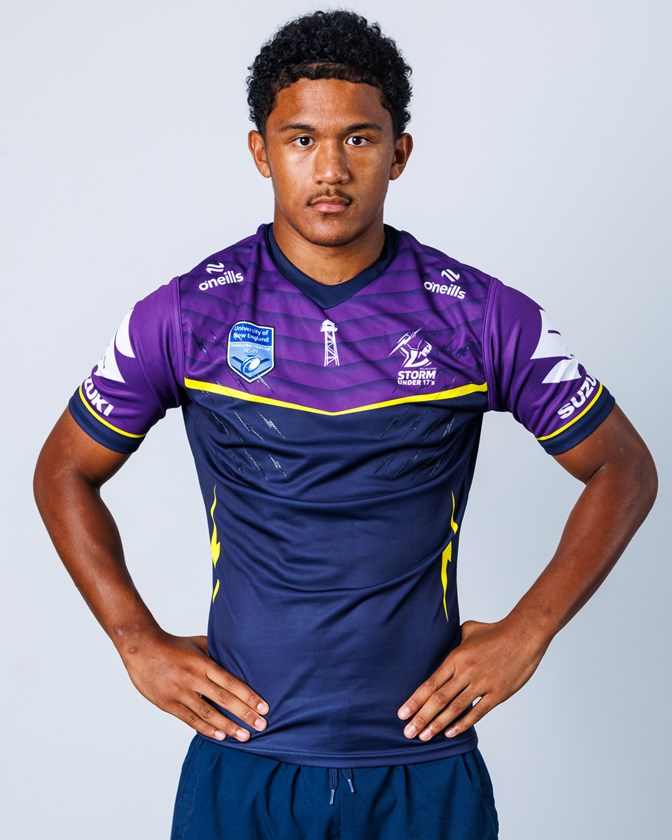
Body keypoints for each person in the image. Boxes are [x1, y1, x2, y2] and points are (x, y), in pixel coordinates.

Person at [34, 9, 657, 840]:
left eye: (359, 138)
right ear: (261, 151)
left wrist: (529, 630)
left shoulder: (476, 314)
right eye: (301, 140)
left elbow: (624, 467)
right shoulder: (190, 313)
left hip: (423, 765)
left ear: (399, 152)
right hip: (246, 763)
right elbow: (63, 468)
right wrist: (133, 639)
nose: (330, 169)